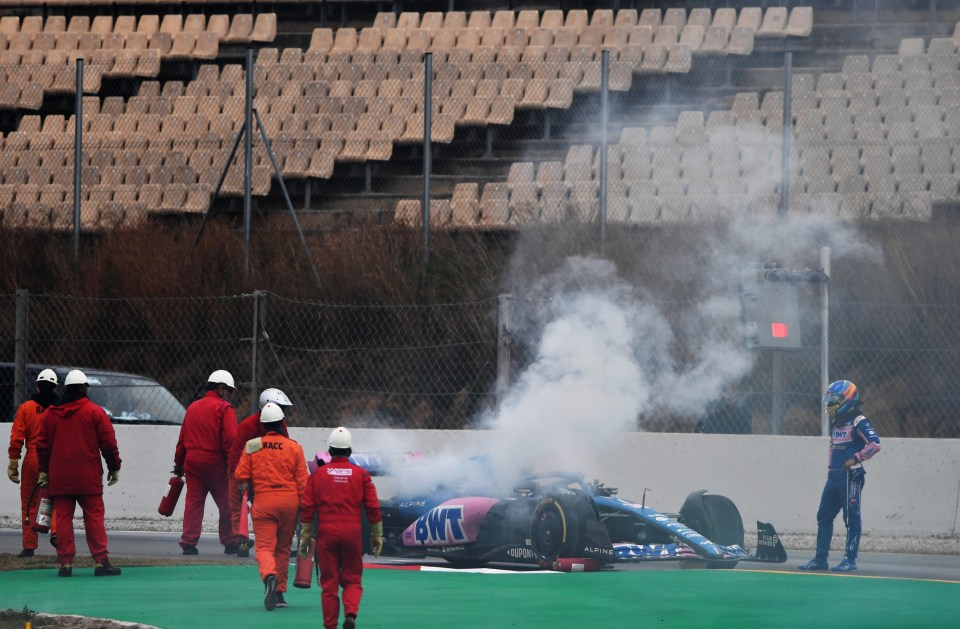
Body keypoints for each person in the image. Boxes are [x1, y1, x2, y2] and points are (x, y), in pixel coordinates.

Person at [36, 369, 122, 577]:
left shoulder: (50, 415)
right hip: (88, 476)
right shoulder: (94, 412)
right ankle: (101, 562)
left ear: (65, 389)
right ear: (85, 388)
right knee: (93, 517)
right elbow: (108, 443)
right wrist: (114, 467)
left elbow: (41, 446)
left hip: (60, 476)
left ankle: (65, 563)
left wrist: (44, 471)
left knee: (63, 518)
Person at [299, 427, 382, 629]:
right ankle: (351, 615)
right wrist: (376, 535)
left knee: (329, 584)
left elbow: (307, 508)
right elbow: (373, 506)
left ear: (330, 450)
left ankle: (330, 625)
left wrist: (305, 538)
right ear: (349, 451)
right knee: (352, 578)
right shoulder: (361, 475)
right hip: (352, 533)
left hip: (327, 533)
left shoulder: (318, 476)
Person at [799, 380, 881, 573]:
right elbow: (833, 447)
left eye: (833, 399)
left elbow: (875, 444)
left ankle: (849, 560)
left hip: (850, 476)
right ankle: (820, 559)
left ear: (847, 399)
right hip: (834, 477)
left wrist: (856, 458)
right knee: (823, 516)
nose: (829, 403)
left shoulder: (858, 421)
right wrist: (830, 468)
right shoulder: (837, 422)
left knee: (851, 518)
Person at [234, 402, 308, 611]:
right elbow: (303, 482)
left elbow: (240, 475)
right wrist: (306, 509)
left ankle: (269, 575)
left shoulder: (253, 445)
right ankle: (280, 594)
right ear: (281, 423)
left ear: (263, 425)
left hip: (264, 502)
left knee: (265, 547)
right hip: (289, 503)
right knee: (283, 549)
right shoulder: (294, 446)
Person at [173, 369, 238, 555]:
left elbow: (182, 439)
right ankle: (230, 541)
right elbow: (231, 439)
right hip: (215, 463)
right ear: (221, 389)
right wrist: (234, 464)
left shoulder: (192, 407)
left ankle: (188, 543)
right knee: (227, 503)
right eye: (229, 391)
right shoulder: (224, 409)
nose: (230, 395)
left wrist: (178, 463)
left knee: (193, 503)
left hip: (192, 462)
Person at [228, 388, 292, 558]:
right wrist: (240, 478)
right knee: (237, 506)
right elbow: (235, 453)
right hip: (242, 469)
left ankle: (277, 542)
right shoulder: (248, 426)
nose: (283, 415)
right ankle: (241, 542)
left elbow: (284, 451)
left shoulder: (281, 425)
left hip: (264, 473)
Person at [7, 369, 60, 557]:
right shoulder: (61, 408)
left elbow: (16, 438)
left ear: (37, 386)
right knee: (54, 500)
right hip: (55, 459)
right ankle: (56, 533)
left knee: (29, 504)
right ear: (55, 388)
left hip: (33, 459)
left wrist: (13, 461)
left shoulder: (26, 408)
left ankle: (29, 547)